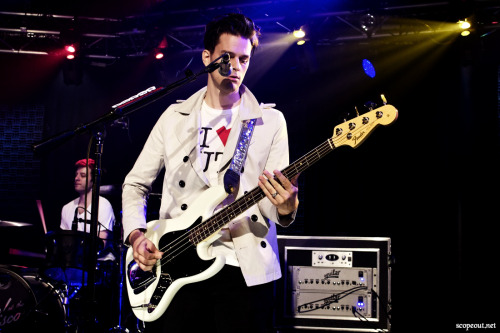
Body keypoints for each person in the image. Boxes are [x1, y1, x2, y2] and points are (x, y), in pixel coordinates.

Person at [122, 13, 299, 333]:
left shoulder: (270, 122)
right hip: (175, 264)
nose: (236, 66)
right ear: (207, 57)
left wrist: (286, 206)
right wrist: (136, 235)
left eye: (244, 59)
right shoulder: (174, 117)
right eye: (226, 57)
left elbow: (273, 205)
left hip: (243, 269)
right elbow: (135, 184)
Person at [60, 158, 115, 248]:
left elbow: (101, 246)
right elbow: (65, 242)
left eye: (83, 175)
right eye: (76, 175)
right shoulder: (66, 208)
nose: (76, 178)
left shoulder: (103, 205)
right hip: (75, 261)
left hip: (100, 261)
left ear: (93, 180)